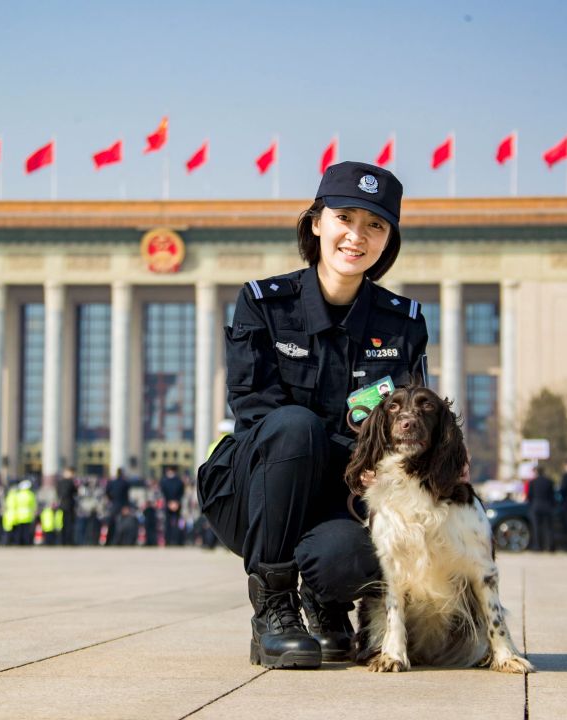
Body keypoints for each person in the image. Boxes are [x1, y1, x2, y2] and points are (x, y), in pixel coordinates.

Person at [197, 161, 428, 670]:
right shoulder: (263, 304)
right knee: (293, 426)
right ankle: (273, 609)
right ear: (316, 223)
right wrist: (352, 456)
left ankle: (324, 603)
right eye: (344, 217)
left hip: (339, 499)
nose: (356, 236)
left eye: (375, 225)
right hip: (255, 492)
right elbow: (256, 411)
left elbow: (411, 423)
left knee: (357, 557)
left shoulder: (402, 325)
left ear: (388, 241)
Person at [527, 465, 556, 552]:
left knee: (536, 527)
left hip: (536, 506)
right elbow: (552, 495)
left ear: (536, 472)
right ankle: (550, 546)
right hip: (547, 506)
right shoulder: (549, 481)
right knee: (549, 528)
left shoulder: (532, 482)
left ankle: (538, 546)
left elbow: (529, 495)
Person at [160, 465, 185, 546]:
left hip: (168, 504)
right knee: (177, 523)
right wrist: (176, 502)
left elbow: (164, 493)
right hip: (177, 504)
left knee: (167, 523)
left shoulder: (164, 481)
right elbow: (181, 493)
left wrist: (169, 503)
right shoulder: (180, 481)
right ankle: (178, 540)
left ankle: (168, 540)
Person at [55, 467, 78, 546]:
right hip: (69, 505)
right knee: (69, 525)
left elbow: (58, 493)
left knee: (63, 524)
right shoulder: (70, 482)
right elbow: (75, 492)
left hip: (62, 505)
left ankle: (63, 541)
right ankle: (68, 541)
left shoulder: (60, 482)